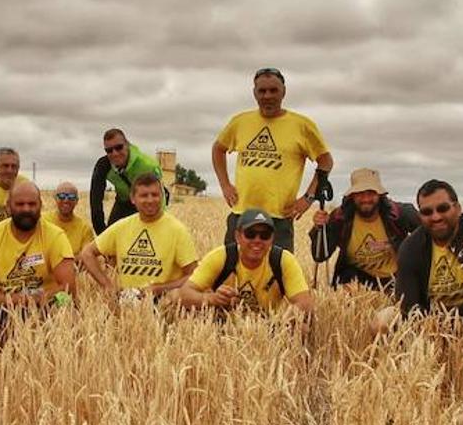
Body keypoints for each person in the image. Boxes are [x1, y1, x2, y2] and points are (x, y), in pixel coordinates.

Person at [212, 67, 334, 251]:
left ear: (283, 92)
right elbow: (218, 149)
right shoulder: (240, 122)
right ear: (254, 93)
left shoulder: (302, 125)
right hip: (241, 214)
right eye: (262, 91)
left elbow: (326, 161)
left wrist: (308, 197)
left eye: (273, 90)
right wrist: (225, 185)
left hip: (279, 218)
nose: (267, 96)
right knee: (230, 273)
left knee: (279, 275)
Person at [0, 181, 77, 315]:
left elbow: (68, 286)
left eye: (32, 204)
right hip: (2, 305)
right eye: (20, 204)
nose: (26, 209)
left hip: (44, 305)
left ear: (40, 206)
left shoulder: (56, 236)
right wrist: (10, 300)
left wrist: (35, 300)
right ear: (8, 207)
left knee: (65, 303)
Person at [394, 179, 463, 322]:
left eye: (443, 208)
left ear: (458, 208)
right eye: (427, 212)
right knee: (382, 322)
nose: (436, 217)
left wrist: (456, 318)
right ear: (420, 216)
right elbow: (408, 307)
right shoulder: (410, 248)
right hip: (430, 322)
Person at [79, 173, 198, 299]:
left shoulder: (177, 230)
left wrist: (159, 289)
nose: (150, 200)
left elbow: (194, 275)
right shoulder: (122, 227)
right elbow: (87, 253)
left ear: (162, 197)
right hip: (126, 300)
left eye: (155, 195)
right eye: (144, 195)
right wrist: (108, 285)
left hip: (164, 303)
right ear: (132, 198)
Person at [180, 207, 313, 315]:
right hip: (221, 325)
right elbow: (184, 294)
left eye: (264, 235)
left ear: (272, 238)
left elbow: (305, 303)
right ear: (237, 236)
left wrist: (279, 322)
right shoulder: (220, 256)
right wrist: (212, 299)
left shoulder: (283, 260)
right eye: (250, 234)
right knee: (173, 302)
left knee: (302, 327)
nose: (257, 240)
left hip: (268, 328)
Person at [310, 168, 420, 290]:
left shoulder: (400, 214)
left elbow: (430, 235)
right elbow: (320, 256)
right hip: (357, 279)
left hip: (396, 278)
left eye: (371, 193)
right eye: (360, 194)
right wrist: (319, 228)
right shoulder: (340, 218)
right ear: (352, 196)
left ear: (379, 194)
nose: (366, 199)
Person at [89, 128, 165, 234]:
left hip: (146, 203)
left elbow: (160, 197)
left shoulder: (147, 165)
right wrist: (102, 235)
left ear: (127, 145)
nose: (115, 153)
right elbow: (95, 201)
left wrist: (160, 229)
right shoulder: (103, 165)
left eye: (119, 147)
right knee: (112, 236)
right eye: (109, 150)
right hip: (123, 202)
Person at [43, 181, 96, 257]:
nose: (66, 200)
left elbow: (87, 254)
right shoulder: (43, 221)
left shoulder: (84, 228)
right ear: (55, 198)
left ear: (76, 201)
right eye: (61, 196)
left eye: (71, 197)